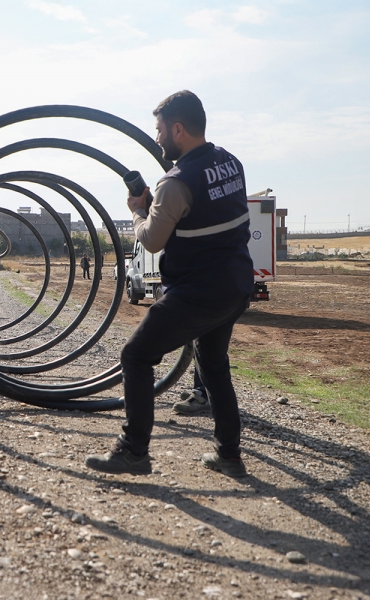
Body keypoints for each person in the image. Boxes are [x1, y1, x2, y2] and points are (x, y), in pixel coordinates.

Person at [85, 90, 254, 478]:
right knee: (213, 365)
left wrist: (139, 211)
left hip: (199, 291)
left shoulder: (175, 183)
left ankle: (134, 451)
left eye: (160, 129)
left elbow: (152, 240)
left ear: (178, 129)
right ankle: (229, 455)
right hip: (235, 283)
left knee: (136, 356)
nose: (157, 137)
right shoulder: (230, 162)